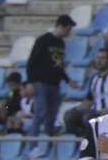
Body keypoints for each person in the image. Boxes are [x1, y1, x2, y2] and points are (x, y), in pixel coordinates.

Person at [25, 14, 74, 143]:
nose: (68, 33)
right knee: (39, 114)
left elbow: (58, 66)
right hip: (40, 82)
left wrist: (67, 80)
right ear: (60, 26)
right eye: (67, 29)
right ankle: (33, 145)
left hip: (54, 83)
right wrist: (30, 82)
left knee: (51, 116)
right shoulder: (43, 40)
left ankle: (47, 142)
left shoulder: (61, 44)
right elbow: (31, 62)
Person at [62, 48, 108, 139]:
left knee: (88, 117)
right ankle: (82, 139)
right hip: (95, 111)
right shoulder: (94, 78)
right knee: (69, 116)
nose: (99, 61)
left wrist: (106, 110)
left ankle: (91, 142)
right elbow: (89, 100)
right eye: (98, 58)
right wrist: (75, 109)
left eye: (102, 58)